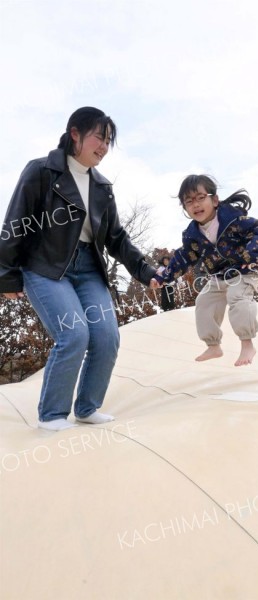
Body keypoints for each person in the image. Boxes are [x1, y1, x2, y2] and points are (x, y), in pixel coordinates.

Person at [0, 107, 160, 431]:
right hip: (45, 267)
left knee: (106, 337)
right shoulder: (41, 171)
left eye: (108, 141)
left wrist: (146, 270)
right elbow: (15, 224)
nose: (103, 147)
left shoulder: (102, 186)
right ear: (75, 133)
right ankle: (52, 416)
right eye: (99, 137)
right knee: (74, 335)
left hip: (88, 269)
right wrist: (6, 275)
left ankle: (87, 408)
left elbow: (117, 238)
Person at [155, 174, 258, 366]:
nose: (195, 205)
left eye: (200, 198)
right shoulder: (192, 235)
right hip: (219, 276)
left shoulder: (233, 218)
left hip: (246, 270)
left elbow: (257, 229)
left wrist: (252, 253)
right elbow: (184, 258)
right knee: (204, 301)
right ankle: (213, 345)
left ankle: (247, 344)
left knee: (237, 297)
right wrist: (165, 277)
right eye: (189, 202)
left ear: (214, 200)